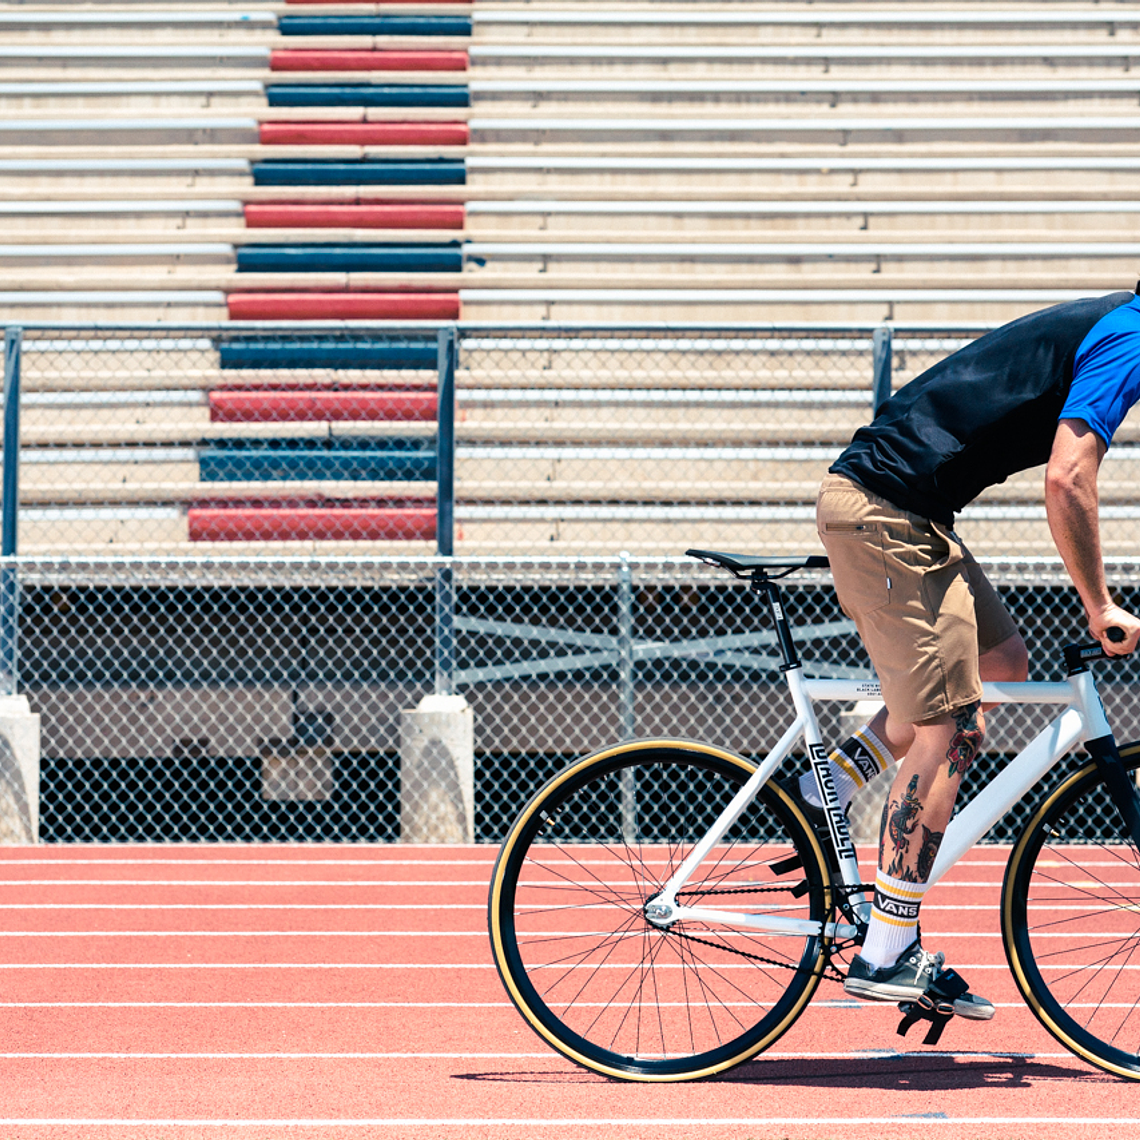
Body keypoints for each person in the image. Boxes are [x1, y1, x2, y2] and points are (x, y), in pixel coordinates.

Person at [799, 288, 1140, 1024]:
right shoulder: (1129, 337)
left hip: (909, 513)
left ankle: (826, 781)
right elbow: (1067, 477)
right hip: (884, 512)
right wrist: (1099, 602)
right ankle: (887, 951)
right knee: (949, 730)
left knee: (1004, 663)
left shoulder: (1115, 326)